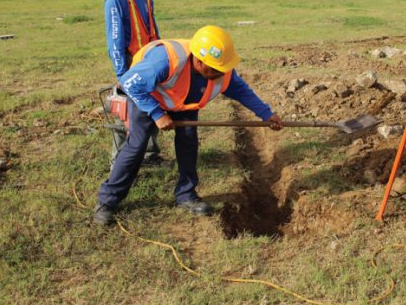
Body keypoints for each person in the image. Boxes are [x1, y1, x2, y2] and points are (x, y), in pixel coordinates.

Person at [94, 25, 283, 224]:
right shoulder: (165, 61)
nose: (222, 73)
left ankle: (186, 195)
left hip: (184, 101)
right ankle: (107, 201)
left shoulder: (221, 69)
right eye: (216, 69)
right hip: (147, 96)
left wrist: (266, 114)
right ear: (199, 62)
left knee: (188, 141)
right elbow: (129, 83)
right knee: (137, 146)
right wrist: (157, 114)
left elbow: (241, 91)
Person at [105, 0, 163, 166]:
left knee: (152, 103)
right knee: (127, 110)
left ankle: (149, 154)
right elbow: (115, 41)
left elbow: (153, 30)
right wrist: (122, 74)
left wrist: (160, 55)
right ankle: (118, 160)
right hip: (130, 63)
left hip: (149, 61)